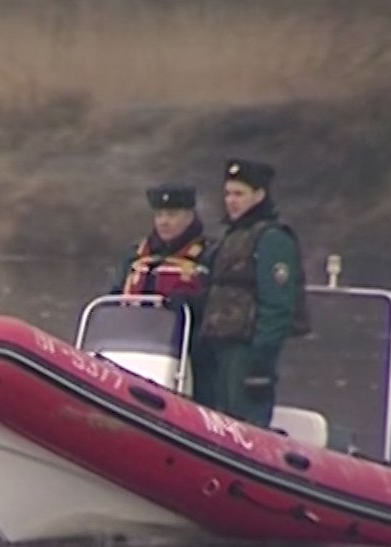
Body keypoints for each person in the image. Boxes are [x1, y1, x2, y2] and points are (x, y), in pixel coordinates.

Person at [197, 159, 311, 428]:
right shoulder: (230, 237)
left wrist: (261, 361)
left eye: (239, 194)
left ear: (259, 196)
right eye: (228, 194)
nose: (231, 201)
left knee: (244, 421)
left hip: (247, 350)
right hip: (219, 346)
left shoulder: (272, 240)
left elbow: (278, 306)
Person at [107, 182, 215, 405]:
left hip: (189, 350)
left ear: (189, 216)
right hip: (134, 343)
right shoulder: (135, 255)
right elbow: (115, 294)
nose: (164, 221)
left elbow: (216, 303)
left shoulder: (210, 255)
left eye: (172, 215)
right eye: (159, 215)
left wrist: (189, 303)